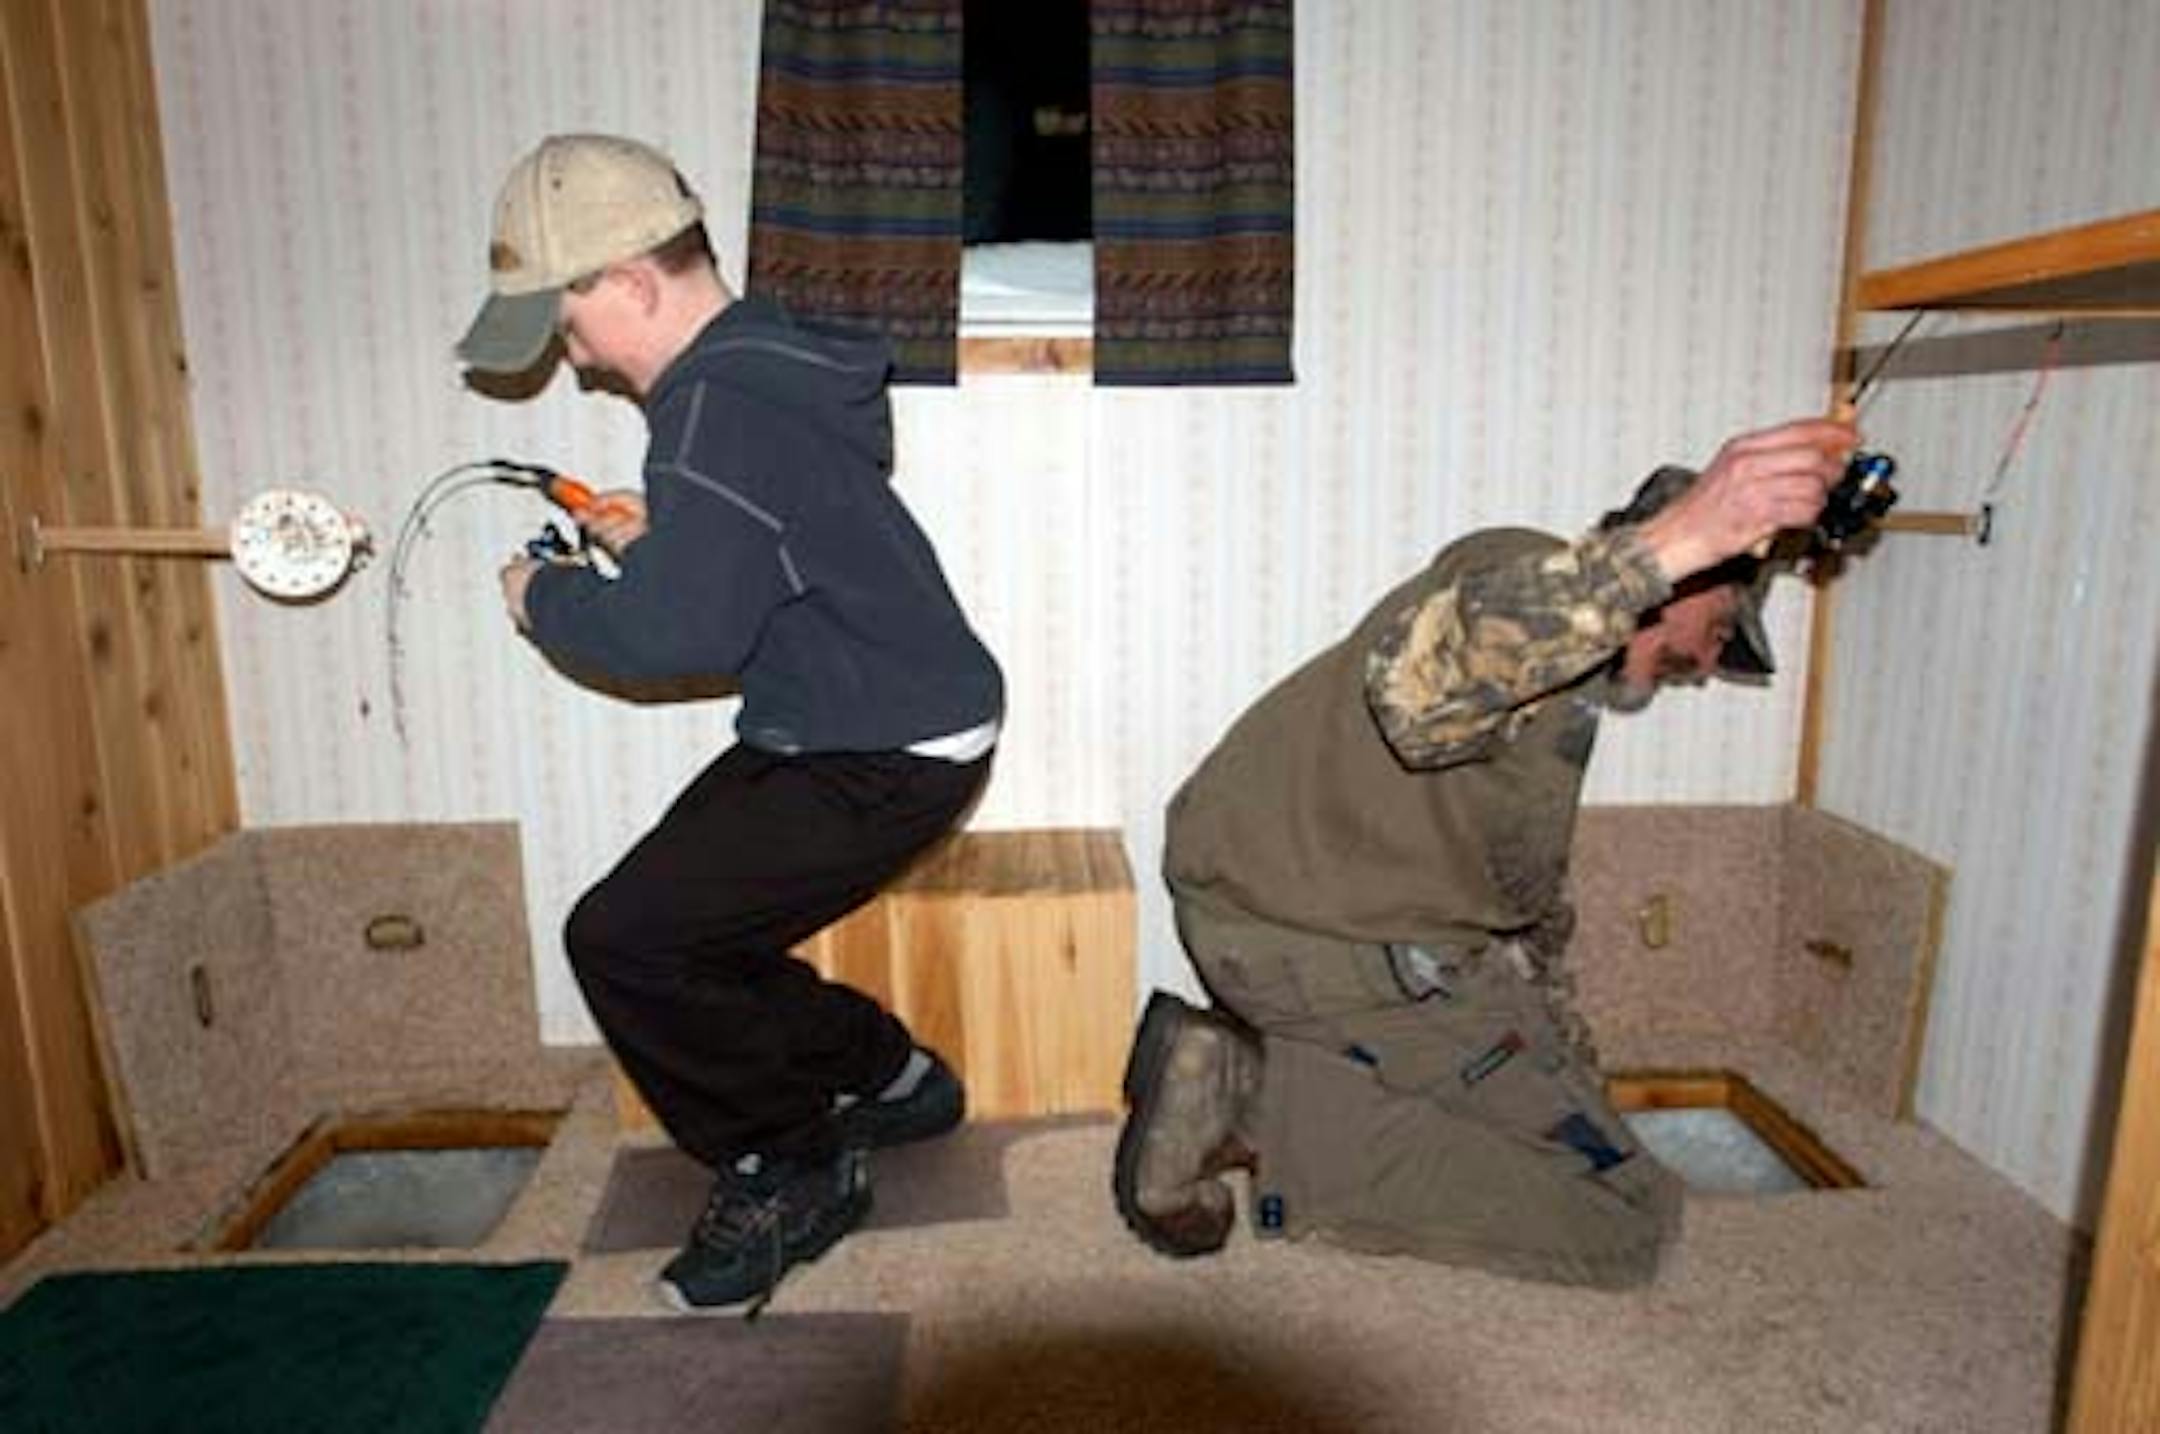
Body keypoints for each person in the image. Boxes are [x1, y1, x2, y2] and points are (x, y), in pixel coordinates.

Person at [1113, 417, 1856, 1288]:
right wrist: (1681, 537)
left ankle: (1241, 1071)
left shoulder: (1563, 671)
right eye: (1724, 630)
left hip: (1267, 919)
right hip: (1332, 947)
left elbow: (1519, 894)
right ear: (1698, 581)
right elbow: (1419, 693)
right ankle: (1253, 1099)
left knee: (1508, 1118)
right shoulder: (1523, 583)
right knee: (1625, 1222)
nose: (1705, 663)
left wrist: (1558, 1061)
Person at [457, 134, 1004, 1313]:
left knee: (627, 940)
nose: (578, 359)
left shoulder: (710, 413)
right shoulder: (762, 375)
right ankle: (887, 1072)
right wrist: (660, 545)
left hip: (875, 744)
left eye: (570, 326)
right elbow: (767, 556)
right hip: (876, 718)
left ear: (633, 286)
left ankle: (788, 1163)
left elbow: (675, 644)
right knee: (688, 923)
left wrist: (542, 599)